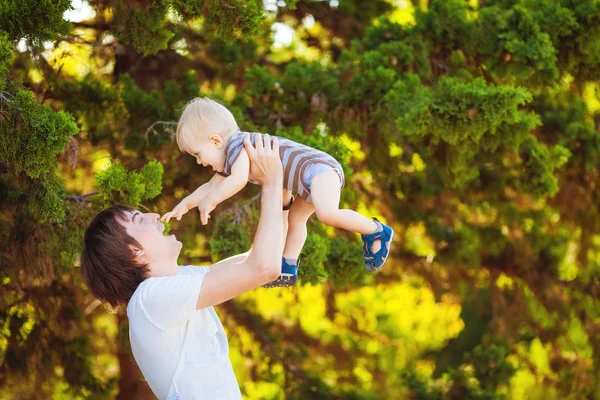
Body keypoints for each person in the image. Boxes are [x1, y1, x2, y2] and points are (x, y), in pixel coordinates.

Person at [80, 133, 284, 400]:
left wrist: (283, 196)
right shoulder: (150, 299)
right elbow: (263, 267)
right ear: (135, 251)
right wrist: (272, 180)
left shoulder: (176, 283)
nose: (154, 216)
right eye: (140, 220)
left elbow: (265, 260)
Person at [161, 97, 395, 287]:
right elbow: (210, 186)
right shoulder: (229, 158)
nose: (199, 162)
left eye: (197, 154)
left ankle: (377, 231)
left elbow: (239, 180)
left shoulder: (238, 145)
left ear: (215, 141)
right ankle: (288, 266)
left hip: (318, 169)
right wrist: (186, 204)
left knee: (327, 213)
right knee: (296, 218)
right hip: (304, 182)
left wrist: (212, 201)